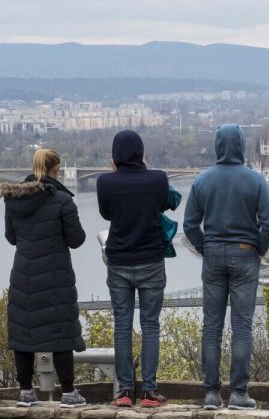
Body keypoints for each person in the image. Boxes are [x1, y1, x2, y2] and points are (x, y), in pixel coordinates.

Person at [183, 124, 269, 410]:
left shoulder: (202, 181)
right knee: (242, 328)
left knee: (211, 327)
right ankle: (238, 394)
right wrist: (258, 248)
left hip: (212, 256)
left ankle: (211, 394)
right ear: (241, 146)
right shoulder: (256, 180)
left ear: (217, 146)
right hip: (245, 255)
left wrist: (204, 246)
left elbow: (189, 225)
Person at [1, 149, 87, 408]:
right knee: (60, 329)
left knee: (23, 332)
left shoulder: (13, 200)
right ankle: (69, 393)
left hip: (23, 274)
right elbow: (77, 239)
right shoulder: (62, 200)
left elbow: (11, 237)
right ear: (56, 169)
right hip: (55, 275)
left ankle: (26, 391)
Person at [96, 130, 172, 408]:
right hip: (151, 260)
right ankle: (150, 392)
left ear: (115, 156)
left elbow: (107, 214)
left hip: (118, 261)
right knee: (150, 325)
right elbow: (162, 205)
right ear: (141, 153)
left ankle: (125, 391)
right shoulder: (159, 178)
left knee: (122, 326)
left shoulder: (105, 182)